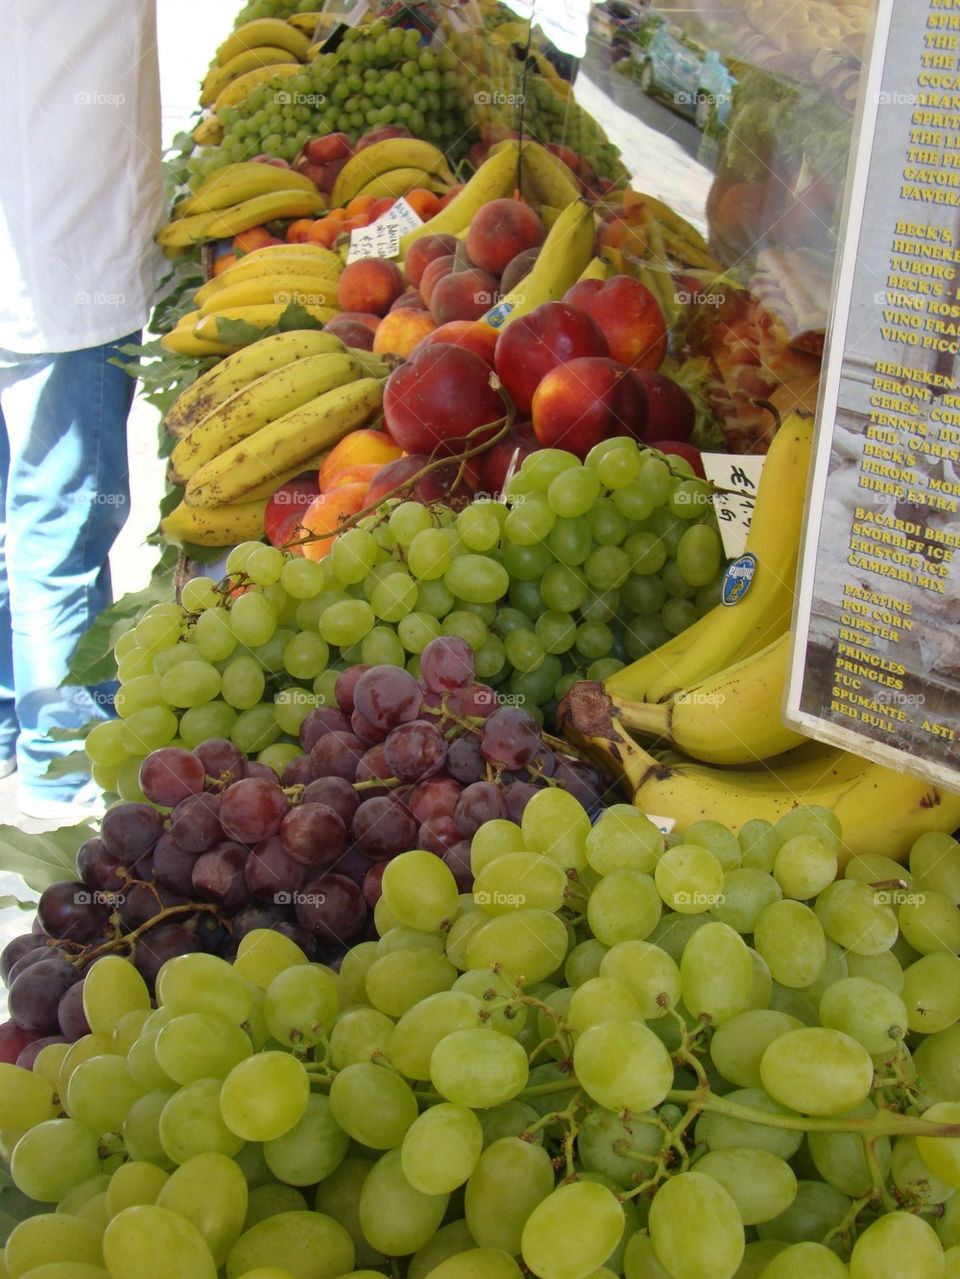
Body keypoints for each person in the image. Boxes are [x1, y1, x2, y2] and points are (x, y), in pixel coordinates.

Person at [0, 1, 165, 819]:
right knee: (60, 533)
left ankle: (11, 721)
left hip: (38, 267)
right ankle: (60, 771)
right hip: (69, 278)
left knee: (19, 525)